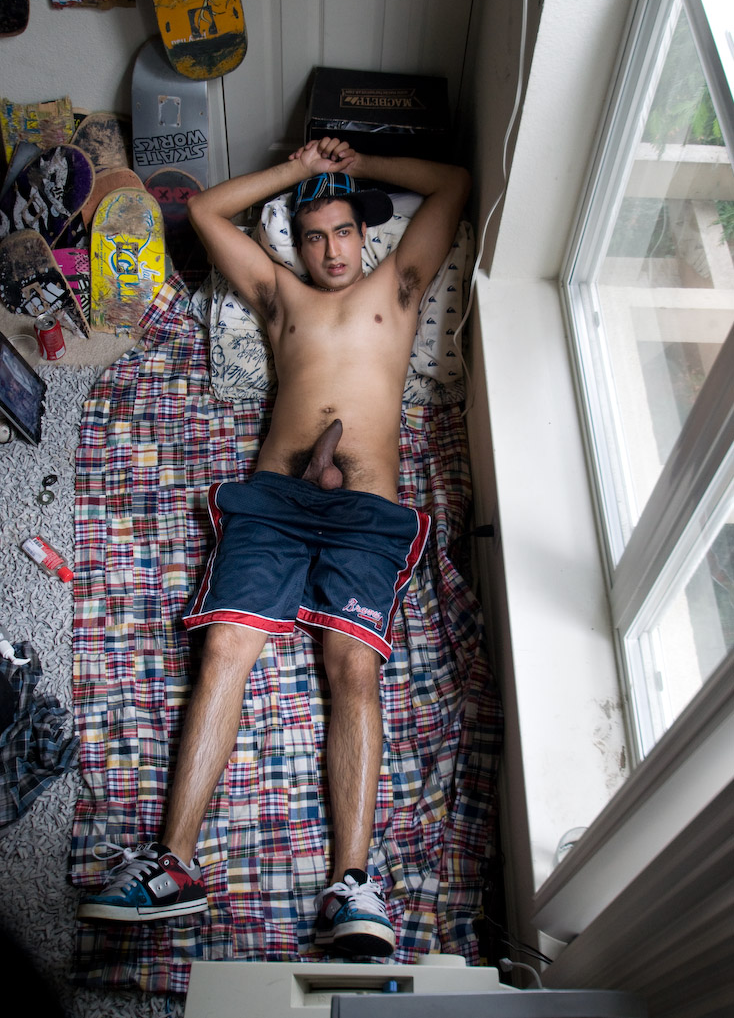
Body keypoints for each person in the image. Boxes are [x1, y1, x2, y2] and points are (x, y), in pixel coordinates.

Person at [77, 137, 470, 957]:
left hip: (365, 513)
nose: (331, 250)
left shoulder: (396, 289)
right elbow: (204, 211)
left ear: (365, 235)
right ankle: (173, 864)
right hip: (274, 504)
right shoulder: (280, 296)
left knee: (352, 668)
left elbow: (454, 181)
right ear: (299, 243)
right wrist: (299, 171)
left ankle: (352, 885)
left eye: (343, 231)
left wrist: (354, 168)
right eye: (314, 235)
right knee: (224, 647)